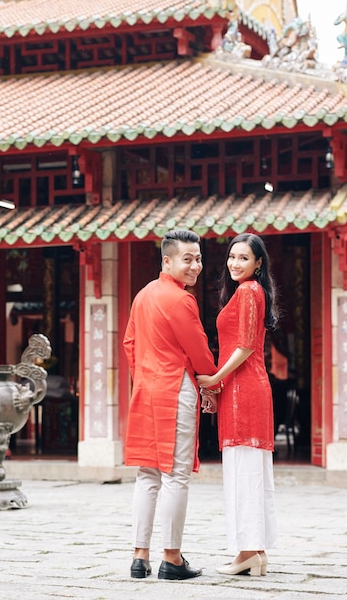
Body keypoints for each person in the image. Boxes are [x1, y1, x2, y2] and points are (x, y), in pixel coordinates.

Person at [123, 229, 219, 581]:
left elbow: (129, 343)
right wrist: (213, 383)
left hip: (146, 389)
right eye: (187, 259)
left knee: (147, 474)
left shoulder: (144, 294)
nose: (195, 266)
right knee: (175, 476)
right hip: (174, 389)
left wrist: (143, 376)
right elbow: (198, 348)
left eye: (198, 259)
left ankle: (139, 556)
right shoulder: (181, 300)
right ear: (167, 260)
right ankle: (172, 557)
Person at [197, 233, 279, 577]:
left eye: (244, 258)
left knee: (243, 470)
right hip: (245, 388)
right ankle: (254, 551)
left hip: (244, 389)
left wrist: (215, 379)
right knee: (250, 470)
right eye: (232, 257)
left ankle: (247, 551)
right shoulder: (250, 292)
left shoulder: (247, 292)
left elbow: (244, 347)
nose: (235, 263)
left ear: (258, 264)